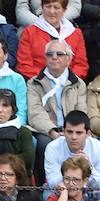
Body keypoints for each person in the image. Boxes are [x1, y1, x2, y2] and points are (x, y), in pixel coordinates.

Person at [27, 39, 88, 183]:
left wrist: (70, 132)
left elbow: (81, 111)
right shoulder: (34, 82)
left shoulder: (78, 84)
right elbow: (35, 112)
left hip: (72, 129)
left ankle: (83, 185)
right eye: (49, 54)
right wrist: (52, 131)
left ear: (69, 59)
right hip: (47, 131)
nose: (54, 57)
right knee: (43, 144)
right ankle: (46, 185)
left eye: (59, 54)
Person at [17, 0, 88, 80]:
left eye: (56, 8)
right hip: (38, 83)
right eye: (48, 7)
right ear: (42, 8)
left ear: (64, 10)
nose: (52, 11)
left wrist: (67, 80)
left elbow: (81, 65)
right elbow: (24, 65)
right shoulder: (29, 32)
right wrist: (47, 80)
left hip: (69, 84)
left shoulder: (75, 33)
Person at [44, 110, 100, 189]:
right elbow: (52, 182)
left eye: (79, 133)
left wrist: (89, 167)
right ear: (63, 132)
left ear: (88, 134)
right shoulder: (53, 147)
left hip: (89, 191)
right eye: (70, 132)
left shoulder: (97, 147)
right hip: (61, 192)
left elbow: (99, 184)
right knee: (47, 196)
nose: (74, 137)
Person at [17, 0, 83, 26]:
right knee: (22, 34)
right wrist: (39, 22)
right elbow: (21, 9)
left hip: (63, 21)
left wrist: (56, 18)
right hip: (35, 21)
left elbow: (75, 7)